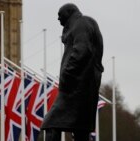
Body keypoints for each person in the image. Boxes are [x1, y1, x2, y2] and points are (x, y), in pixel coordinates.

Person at [41, 3, 104, 141]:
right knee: (81, 130)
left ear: (69, 12)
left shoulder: (81, 23)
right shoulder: (83, 24)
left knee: (51, 123)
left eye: (60, 15)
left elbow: (82, 50)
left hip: (76, 86)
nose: (58, 19)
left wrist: (67, 74)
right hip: (84, 86)